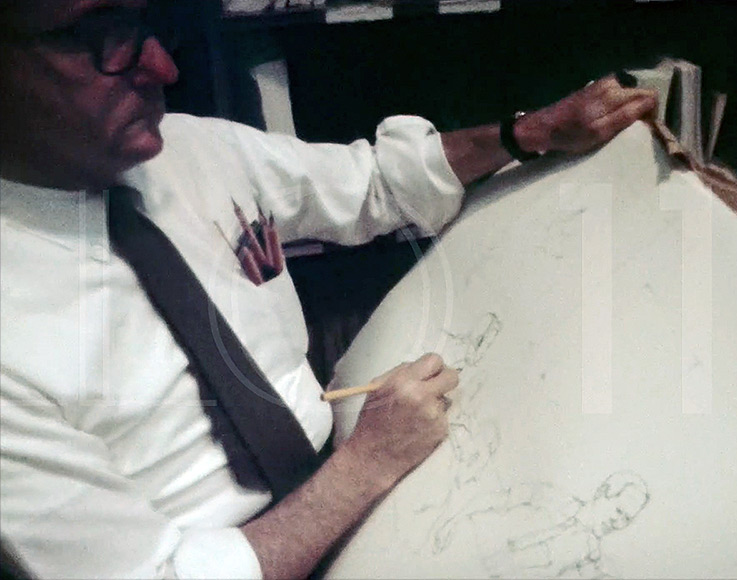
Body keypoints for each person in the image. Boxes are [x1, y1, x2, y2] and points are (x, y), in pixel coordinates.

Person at [0, 1, 657, 578]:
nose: (162, 68)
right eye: (98, 34)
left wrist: (528, 134)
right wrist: (365, 466)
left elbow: (374, 184)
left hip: (355, 473)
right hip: (268, 535)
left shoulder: (192, 150)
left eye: (142, 24)